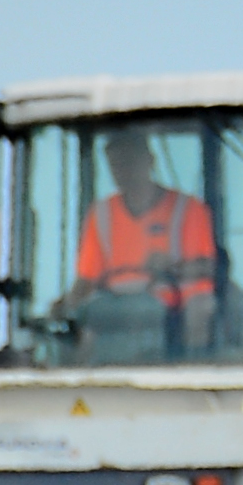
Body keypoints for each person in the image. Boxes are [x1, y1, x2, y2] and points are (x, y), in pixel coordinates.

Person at [76, 128, 218, 345]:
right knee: (85, 319)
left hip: (172, 309)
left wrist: (172, 267)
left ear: (150, 161)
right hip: (115, 311)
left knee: (201, 305)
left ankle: (194, 363)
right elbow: (87, 279)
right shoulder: (101, 214)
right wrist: (64, 304)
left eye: (130, 162)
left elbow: (208, 268)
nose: (123, 171)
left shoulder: (188, 210)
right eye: (116, 164)